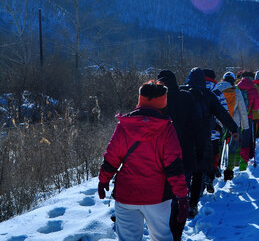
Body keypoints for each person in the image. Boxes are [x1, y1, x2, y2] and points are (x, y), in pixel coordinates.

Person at [98, 80, 189, 241]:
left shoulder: (124, 125)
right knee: (162, 238)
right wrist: (182, 196)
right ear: (163, 101)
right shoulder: (166, 128)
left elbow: (111, 158)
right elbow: (174, 166)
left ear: (140, 99)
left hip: (126, 195)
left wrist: (103, 180)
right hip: (158, 198)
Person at [181, 67, 239, 217]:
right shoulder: (209, 96)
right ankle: (193, 204)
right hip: (204, 140)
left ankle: (181, 201)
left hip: (184, 141)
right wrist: (233, 129)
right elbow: (222, 114)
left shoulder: (181, 93)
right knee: (199, 173)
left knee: (185, 172)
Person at [156, 70, 198, 240]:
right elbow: (197, 127)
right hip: (184, 157)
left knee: (162, 199)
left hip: (160, 159)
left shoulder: (156, 99)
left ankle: (163, 232)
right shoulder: (187, 98)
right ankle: (176, 235)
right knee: (180, 198)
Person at [215, 72, 249, 180]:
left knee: (219, 145)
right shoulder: (236, 91)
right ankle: (229, 171)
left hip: (218, 123)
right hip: (234, 124)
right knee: (233, 147)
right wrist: (245, 126)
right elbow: (242, 110)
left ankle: (217, 168)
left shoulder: (215, 89)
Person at [236, 71, 259, 170]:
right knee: (246, 141)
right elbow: (256, 107)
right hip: (248, 118)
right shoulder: (254, 89)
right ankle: (243, 163)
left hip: (237, 118)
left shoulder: (237, 87)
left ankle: (236, 160)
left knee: (237, 139)